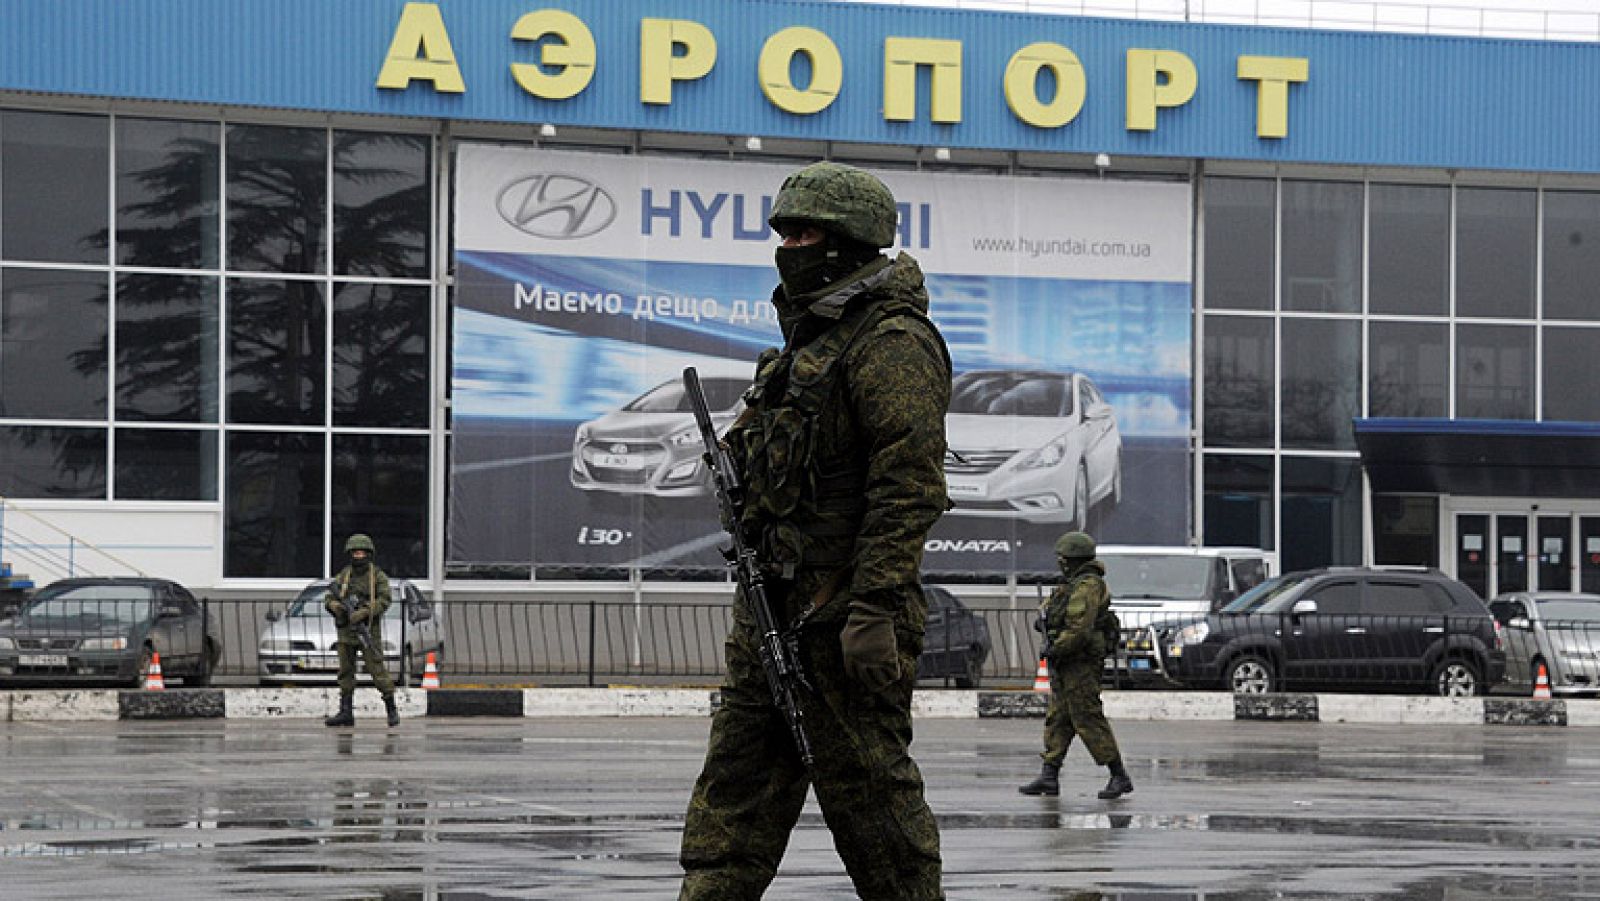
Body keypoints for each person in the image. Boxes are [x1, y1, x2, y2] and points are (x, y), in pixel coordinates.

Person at [679, 161, 951, 900]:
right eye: (786, 232)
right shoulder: (804, 347)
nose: (790, 246)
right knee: (728, 814)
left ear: (849, 242)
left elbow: (909, 488)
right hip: (772, 611)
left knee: (878, 822)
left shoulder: (891, 342)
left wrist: (873, 608)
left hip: (843, 619)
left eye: (806, 233)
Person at [1019, 531, 1134, 799]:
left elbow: (1079, 629)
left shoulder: (1087, 586)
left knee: (1087, 717)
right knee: (1059, 718)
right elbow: (1055, 612)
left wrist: (1056, 647)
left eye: (1062, 558)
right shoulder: (1071, 584)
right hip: (1067, 661)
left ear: (1072, 559)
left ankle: (1119, 775)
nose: (1059, 562)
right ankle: (1049, 775)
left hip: (1079, 663)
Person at [323, 533, 399, 728]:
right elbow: (329, 598)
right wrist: (336, 607)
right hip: (346, 632)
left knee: (377, 670)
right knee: (345, 673)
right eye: (355, 552)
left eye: (361, 552)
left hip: (368, 631)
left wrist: (365, 612)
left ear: (368, 553)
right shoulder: (344, 575)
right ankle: (345, 712)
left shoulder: (377, 576)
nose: (358, 556)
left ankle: (391, 708)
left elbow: (385, 599)